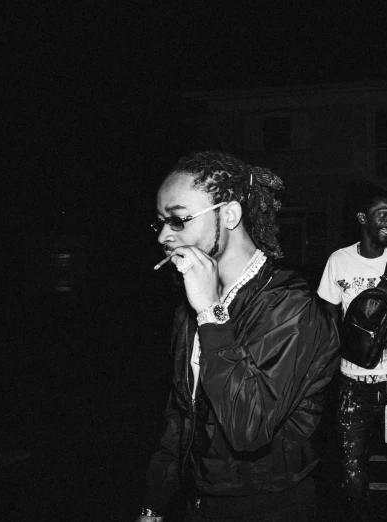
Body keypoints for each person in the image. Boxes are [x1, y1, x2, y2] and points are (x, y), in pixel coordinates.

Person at [138, 151, 340, 522]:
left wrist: (211, 316)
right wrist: (155, 503)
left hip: (268, 505)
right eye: (160, 223)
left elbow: (250, 428)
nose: (166, 235)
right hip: (200, 500)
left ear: (228, 215)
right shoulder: (195, 296)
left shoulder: (291, 306)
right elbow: (183, 413)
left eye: (179, 219)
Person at [317, 183, 387, 518]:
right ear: (363, 218)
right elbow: (328, 324)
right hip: (353, 382)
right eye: (383, 214)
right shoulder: (339, 261)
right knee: (351, 465)